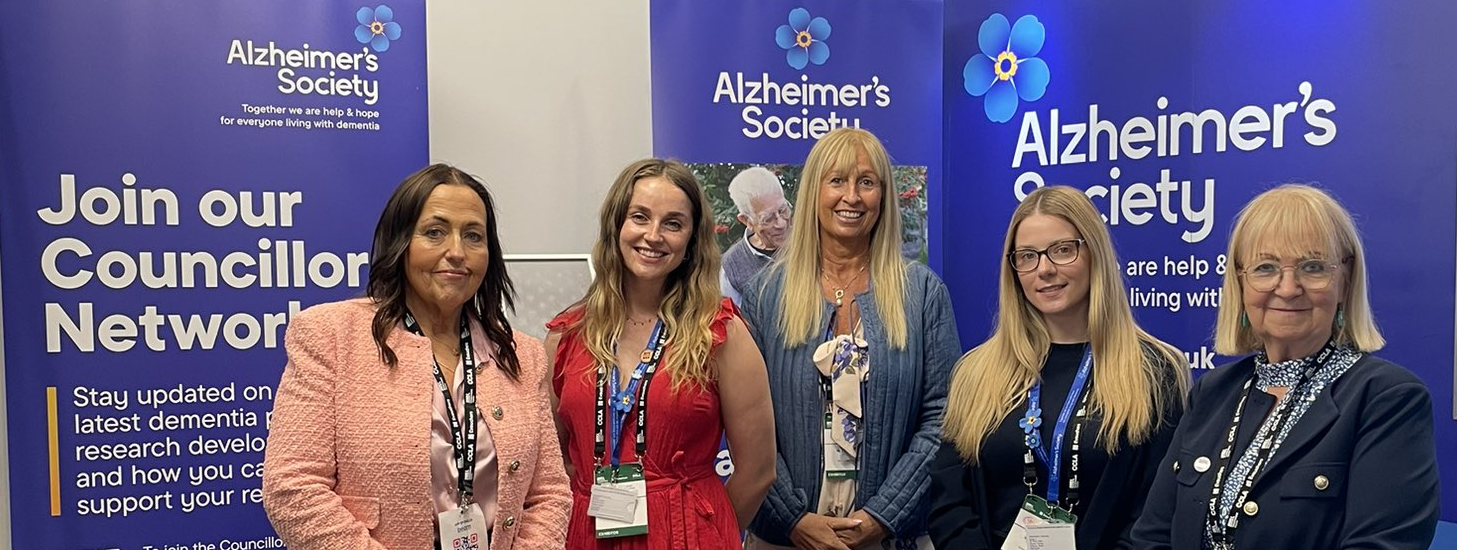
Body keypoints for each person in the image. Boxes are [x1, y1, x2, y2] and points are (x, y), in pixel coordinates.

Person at [262, 164, 571, 550]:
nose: (456, 252)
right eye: (435, 232)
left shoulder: (520, 353)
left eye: (473, 236)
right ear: (401, 242)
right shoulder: (330, 335)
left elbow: (550, 493)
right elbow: (292, 485)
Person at [1127, 184, 1439, 549]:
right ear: (1240, 283)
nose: (1288, 288)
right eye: (1266, 268)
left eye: (1312, 267)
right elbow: (1151, 537)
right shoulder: (1212, 392)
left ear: (1345, 280)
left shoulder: (1386, 399)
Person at [927, 186, 1190, 550]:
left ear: (1093, 252)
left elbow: (1156, 512)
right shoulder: (975, 372)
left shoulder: (1155, 372)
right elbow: (949, 501)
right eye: (1028, 256)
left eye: (1063, 250)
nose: (1045, 270)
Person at [742, 127, 961, 550]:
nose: (852, 197)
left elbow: (943, 417)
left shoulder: (922, 293)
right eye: (837, 180)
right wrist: (793, 519)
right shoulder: (764, 295)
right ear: (814, 192)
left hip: (890, 538)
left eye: (867, 182)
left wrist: (882, 516)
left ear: (883, 196)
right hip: (784, 539)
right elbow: (746, 422)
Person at [546, 158, 776, 549]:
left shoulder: (721, 333)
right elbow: (554, 462)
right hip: (589, 533)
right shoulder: (567, 335)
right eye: (640, 217)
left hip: (690, 536)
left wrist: (707, 528)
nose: (653, 235)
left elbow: (758, 470)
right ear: (616, 226)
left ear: (690, 241)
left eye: (673, 223)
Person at [721, 166, 793, 305]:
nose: (781, 223)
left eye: (783, 210)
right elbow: (733, 324)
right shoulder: (731, 268)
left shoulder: (808, 241)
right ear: (746, 220)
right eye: (768, 219)